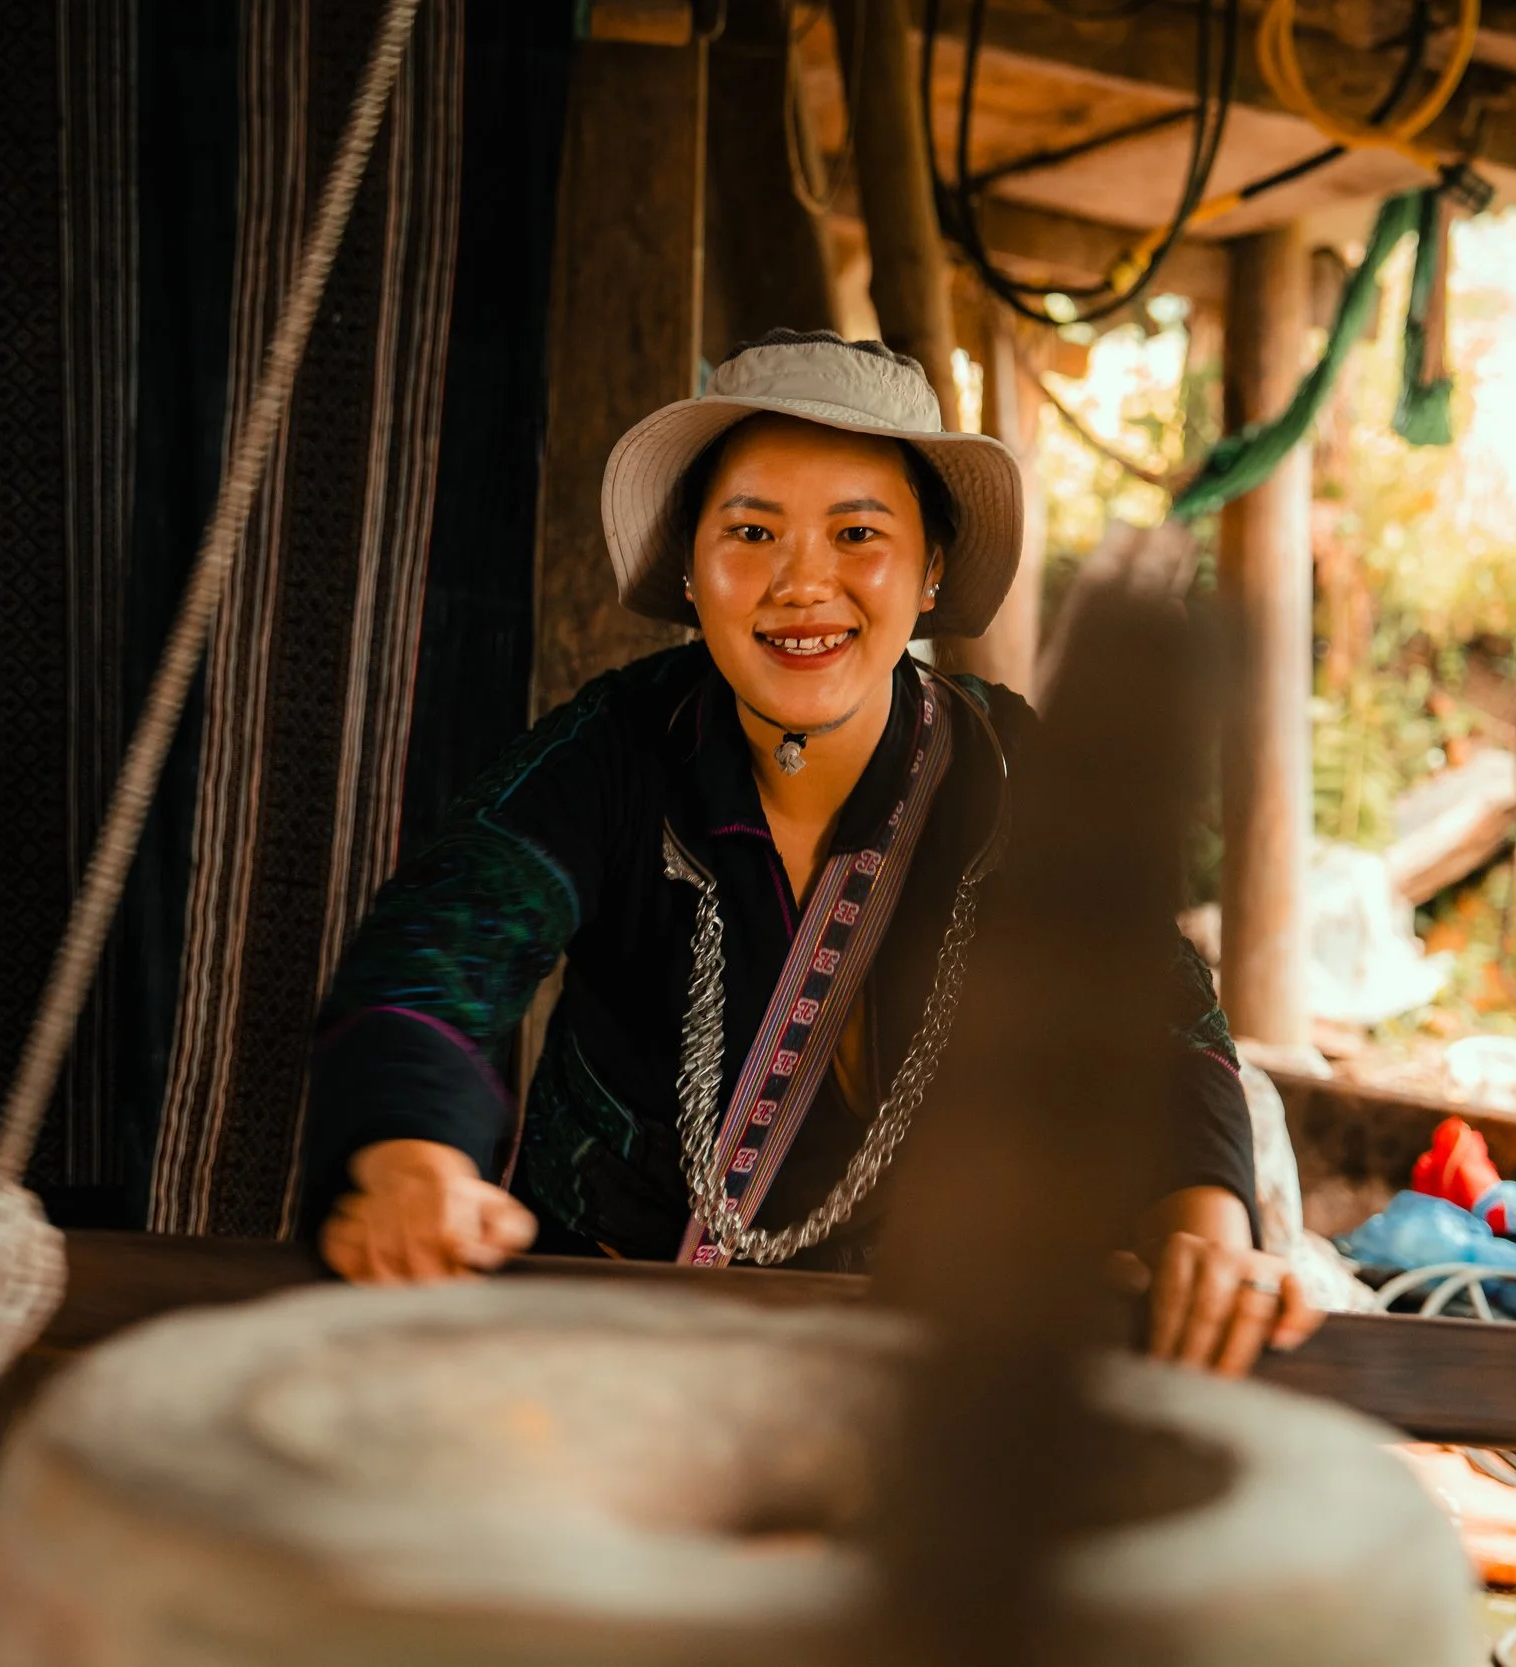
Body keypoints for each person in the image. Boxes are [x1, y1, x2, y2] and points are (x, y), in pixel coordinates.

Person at [299, 330, 1320, 1375]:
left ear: (929, 570)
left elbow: (1158, 1014)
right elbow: (434, 955)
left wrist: (1204, 1234)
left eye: (855, 534)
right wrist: (410, 1156)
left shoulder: (1010, 775)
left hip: (894, 1353)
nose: (802, 583)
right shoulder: (609, 753)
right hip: (594, 1334)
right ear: (690, 570)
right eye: (751, 531)